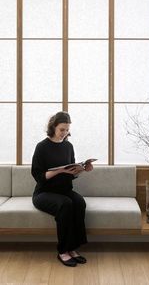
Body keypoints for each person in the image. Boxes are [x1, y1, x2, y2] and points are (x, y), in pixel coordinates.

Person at [31, 111, 93, 267]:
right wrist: (58, 170)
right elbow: (38, 175)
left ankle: (73, 248)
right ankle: (63, 251)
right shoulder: (42, 147)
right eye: (61, 130)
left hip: (64, 189)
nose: (64, 133)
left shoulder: (68, 146)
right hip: (44, 193)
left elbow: (70, 174)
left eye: (67, 130)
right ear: (53, 127)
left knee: (79, 202)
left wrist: (81, 170)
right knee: (65, 204)